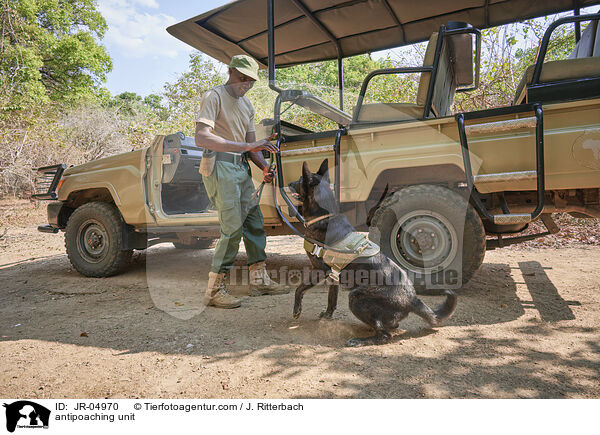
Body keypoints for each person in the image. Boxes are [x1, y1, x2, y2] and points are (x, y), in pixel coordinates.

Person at [195, 54, 290, 309]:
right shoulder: (213, 96)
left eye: (250, 81)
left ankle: (259, 280)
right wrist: (249, 145)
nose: (245, 84)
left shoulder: (247, 106)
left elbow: (252, 148)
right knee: (232, 228)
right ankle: (214, 290)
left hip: (240, 168)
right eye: (241, 78)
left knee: (254, 222)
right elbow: (202, 137)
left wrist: (264, 166)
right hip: (220, 166)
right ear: (230, 71)